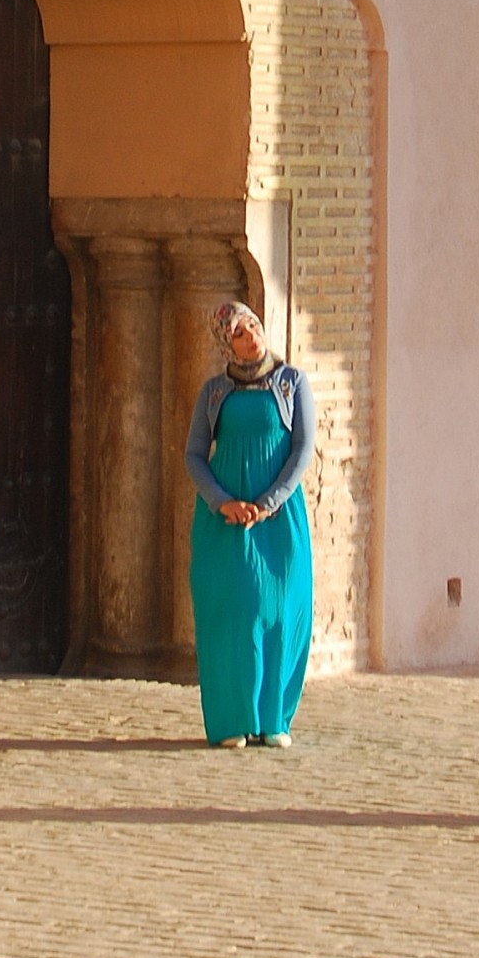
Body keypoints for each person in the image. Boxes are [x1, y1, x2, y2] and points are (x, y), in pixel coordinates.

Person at [184, 300, 316, 750]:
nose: (251, 337)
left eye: (253, 326)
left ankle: (273, 719)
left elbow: (302, 449)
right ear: (227, 343)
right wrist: (222, 502)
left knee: (280, 610)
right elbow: (194, 455)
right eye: (239, 333)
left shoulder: (291, 383)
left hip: (279, 518)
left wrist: (269, 501)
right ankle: (232, 720)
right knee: (234, 612)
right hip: (226, 521)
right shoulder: (214, 392)